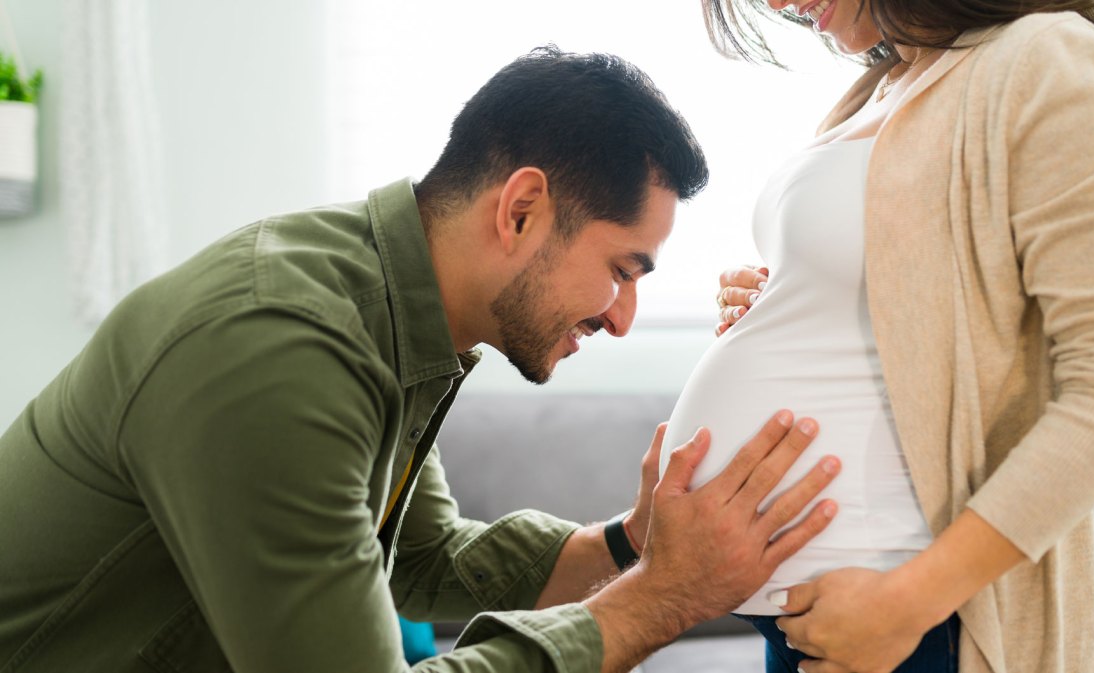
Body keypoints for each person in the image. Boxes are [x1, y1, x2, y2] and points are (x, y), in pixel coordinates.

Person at [0, 47, 843, 673]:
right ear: (521, 209)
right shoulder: (286, 345)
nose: (623, 318)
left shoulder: (397, 318)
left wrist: (631, 541)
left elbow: (421, 557)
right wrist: (664, 595)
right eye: (622, 270)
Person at [673, 1, 1094, 672]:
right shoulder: (880, 83)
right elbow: (915, 305)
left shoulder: (1047, 58)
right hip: (809, 620)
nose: (776, 4)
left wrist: (906, 603)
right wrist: (787, 293)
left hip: (908, 622)